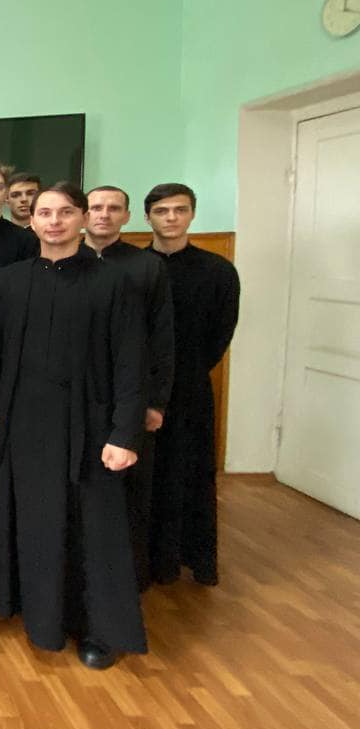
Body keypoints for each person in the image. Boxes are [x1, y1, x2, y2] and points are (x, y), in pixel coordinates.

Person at [0, 183, 146, 670]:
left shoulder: (113, 281)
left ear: (83, 219)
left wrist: (124, 433)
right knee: (37, 522)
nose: (54, 221)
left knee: (93, 528)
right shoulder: (10, 280)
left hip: (91, 425)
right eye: (45, 213)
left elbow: (131, 363)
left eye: (65, 212)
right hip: (24, 424)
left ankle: (98, 630)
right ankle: (42, 618)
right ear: (31, 221)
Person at [145, 183, 239, 587]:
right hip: (141, 388)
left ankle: (194, 557)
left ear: (192, 214)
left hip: (189, 388)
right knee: (148, 475)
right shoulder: (135, 267)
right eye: (162, 211)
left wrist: (187, 373)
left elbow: (221, 332)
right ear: (147, 216)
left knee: (192, 472)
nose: (171, 218)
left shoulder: (218, 271)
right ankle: (152, 560)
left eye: (179, 210)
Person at [85, 186, 175, 591]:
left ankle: (128, 580)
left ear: (127, 216)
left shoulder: (146, 267)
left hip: (131, 398)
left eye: (113, 208)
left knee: (129, 493)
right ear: (82, 215)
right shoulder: (65, 262)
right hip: (80, 397)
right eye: (95, 207)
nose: (103, 215)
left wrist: (155, 402)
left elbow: (162, 339)